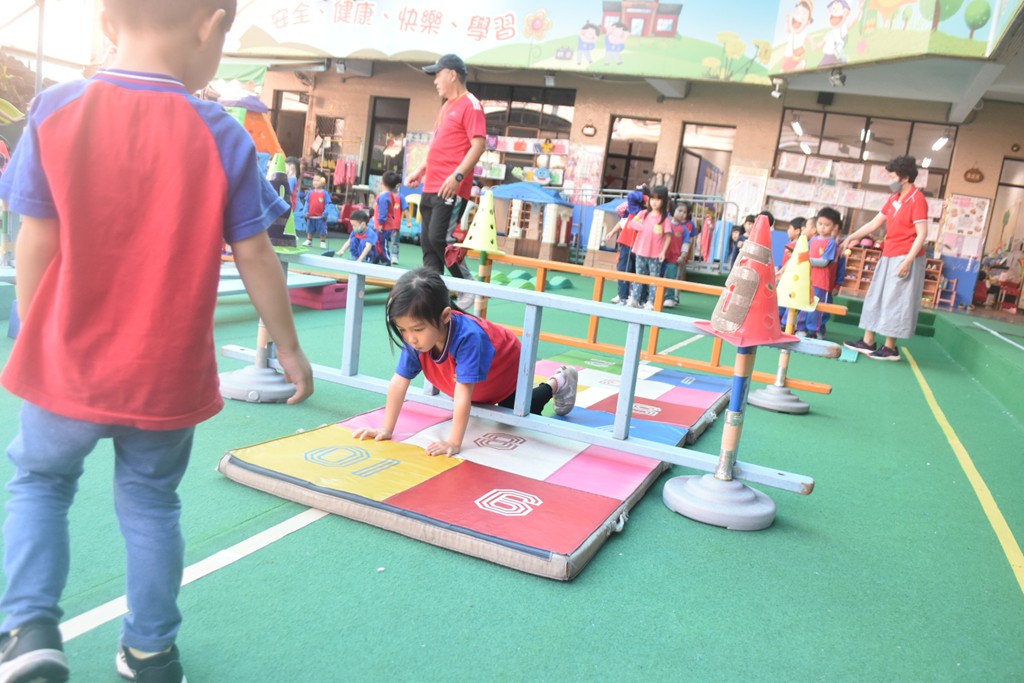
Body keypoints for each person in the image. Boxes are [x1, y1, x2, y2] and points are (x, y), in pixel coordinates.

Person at [0, 1, 314, 681]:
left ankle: (28, 629)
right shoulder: (221, 133)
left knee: (41, 483)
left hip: (67, 363)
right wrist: (288, 348)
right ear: (210, 23)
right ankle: (150, 649)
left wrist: (34, 328)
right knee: (151, 503)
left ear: (108, 22)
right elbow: (256, 252)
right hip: (165, 376)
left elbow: (34, 238)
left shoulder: (57, 110)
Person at [352, 268, 579, 456]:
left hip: (505, 369)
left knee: (515, 413)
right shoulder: (416, 340)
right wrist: (386, 428)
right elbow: (399, 381)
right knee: (486, 406)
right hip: (476, 382)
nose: (410, 338)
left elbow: (462, 395)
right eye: (403, 329)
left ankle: (558, 381)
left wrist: (454, 442)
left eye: (417, 329)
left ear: (445, 316)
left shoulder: (469, 337)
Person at [405, 54, 486, 309]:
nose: (435, 81)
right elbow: (439, 145)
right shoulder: (446, 107)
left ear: (452, 74)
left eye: (437, 75)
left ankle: (466, 284)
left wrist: (457, 176)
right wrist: (421, 170)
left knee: (440, 238)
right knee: (428, 243)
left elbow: (479, 145)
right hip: (431, 184)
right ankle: (434, 299)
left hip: (451, 186)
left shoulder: (471, 104)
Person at [842, 155, 928, 361]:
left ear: (904, 177)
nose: (890, 180)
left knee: (896, 299)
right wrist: (852, 236)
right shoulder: (894, 198)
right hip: (889, 253)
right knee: (877, 295)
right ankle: (868, 341)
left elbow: (922, 234)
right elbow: (874, 223)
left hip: (906, 255)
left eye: (892, 176)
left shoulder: (917, 200)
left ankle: (890, 348)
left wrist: (908, 260)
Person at [628, 185, 673, 310]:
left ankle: (652, 302)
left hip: (655, 254)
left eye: (658, 199)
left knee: (654, 279)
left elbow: (668, 236)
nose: (654, 202)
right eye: (652, 198)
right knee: (639, 277)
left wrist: (663, 252)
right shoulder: (643, 214)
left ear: (664, 201)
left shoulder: (664, 219)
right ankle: (635, 299)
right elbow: (632, 223)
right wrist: (640, 227)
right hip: (640, 251)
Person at [797, 207, 840, 339]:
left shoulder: (832, 243)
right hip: (808, 279)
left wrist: (807, 260)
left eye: (827, 225)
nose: (822, 227)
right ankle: (801, 327)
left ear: (834, 227)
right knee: (804, 303)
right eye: (820, 224)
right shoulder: (813, 240)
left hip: (821, 282)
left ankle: (814, 330)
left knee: (817, 307)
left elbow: (824, 262)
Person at [605, 184, 648, 304]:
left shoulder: (647, 212)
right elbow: (621, 220)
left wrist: (647, 197)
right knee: (624, 269)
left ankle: (637, 298)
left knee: (638, 273)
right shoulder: (632, 209)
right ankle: (623, 296)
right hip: (627, 243)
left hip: (640, 247)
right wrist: (612, 232)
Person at [662, 202, 692, 309]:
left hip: (674, 258)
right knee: (658, 276)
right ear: (673, 210)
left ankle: (670, 297)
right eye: (680, 211)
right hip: (661, 256)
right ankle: (655, 295)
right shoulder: (666, 223)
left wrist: (683, 255)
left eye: (685, 212)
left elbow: (686, 243)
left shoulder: (684, 229)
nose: (682, 214)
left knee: (671, 277)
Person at [374, 170, 403, 266]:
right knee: (378, 243)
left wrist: (380, 224)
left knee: (382, 244)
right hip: (386, 225)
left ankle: (386, 260)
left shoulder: (384, 197)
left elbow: (383, 212)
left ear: (382, 182)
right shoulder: (390, 195)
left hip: (384, 226)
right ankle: (376, 259)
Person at [303, 175, 332, 249]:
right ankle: (309, 240)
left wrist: (325, 213)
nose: (315, 182)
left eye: (317, 180)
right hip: (311, 216)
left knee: (322, 230)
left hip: (321, 217)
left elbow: (327, 204)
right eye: (314, 180)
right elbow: (307, 203)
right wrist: (305, 211)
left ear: (323, 182)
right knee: (309, 229)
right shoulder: (310, 193)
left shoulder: (325, 193)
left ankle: (322, 242)